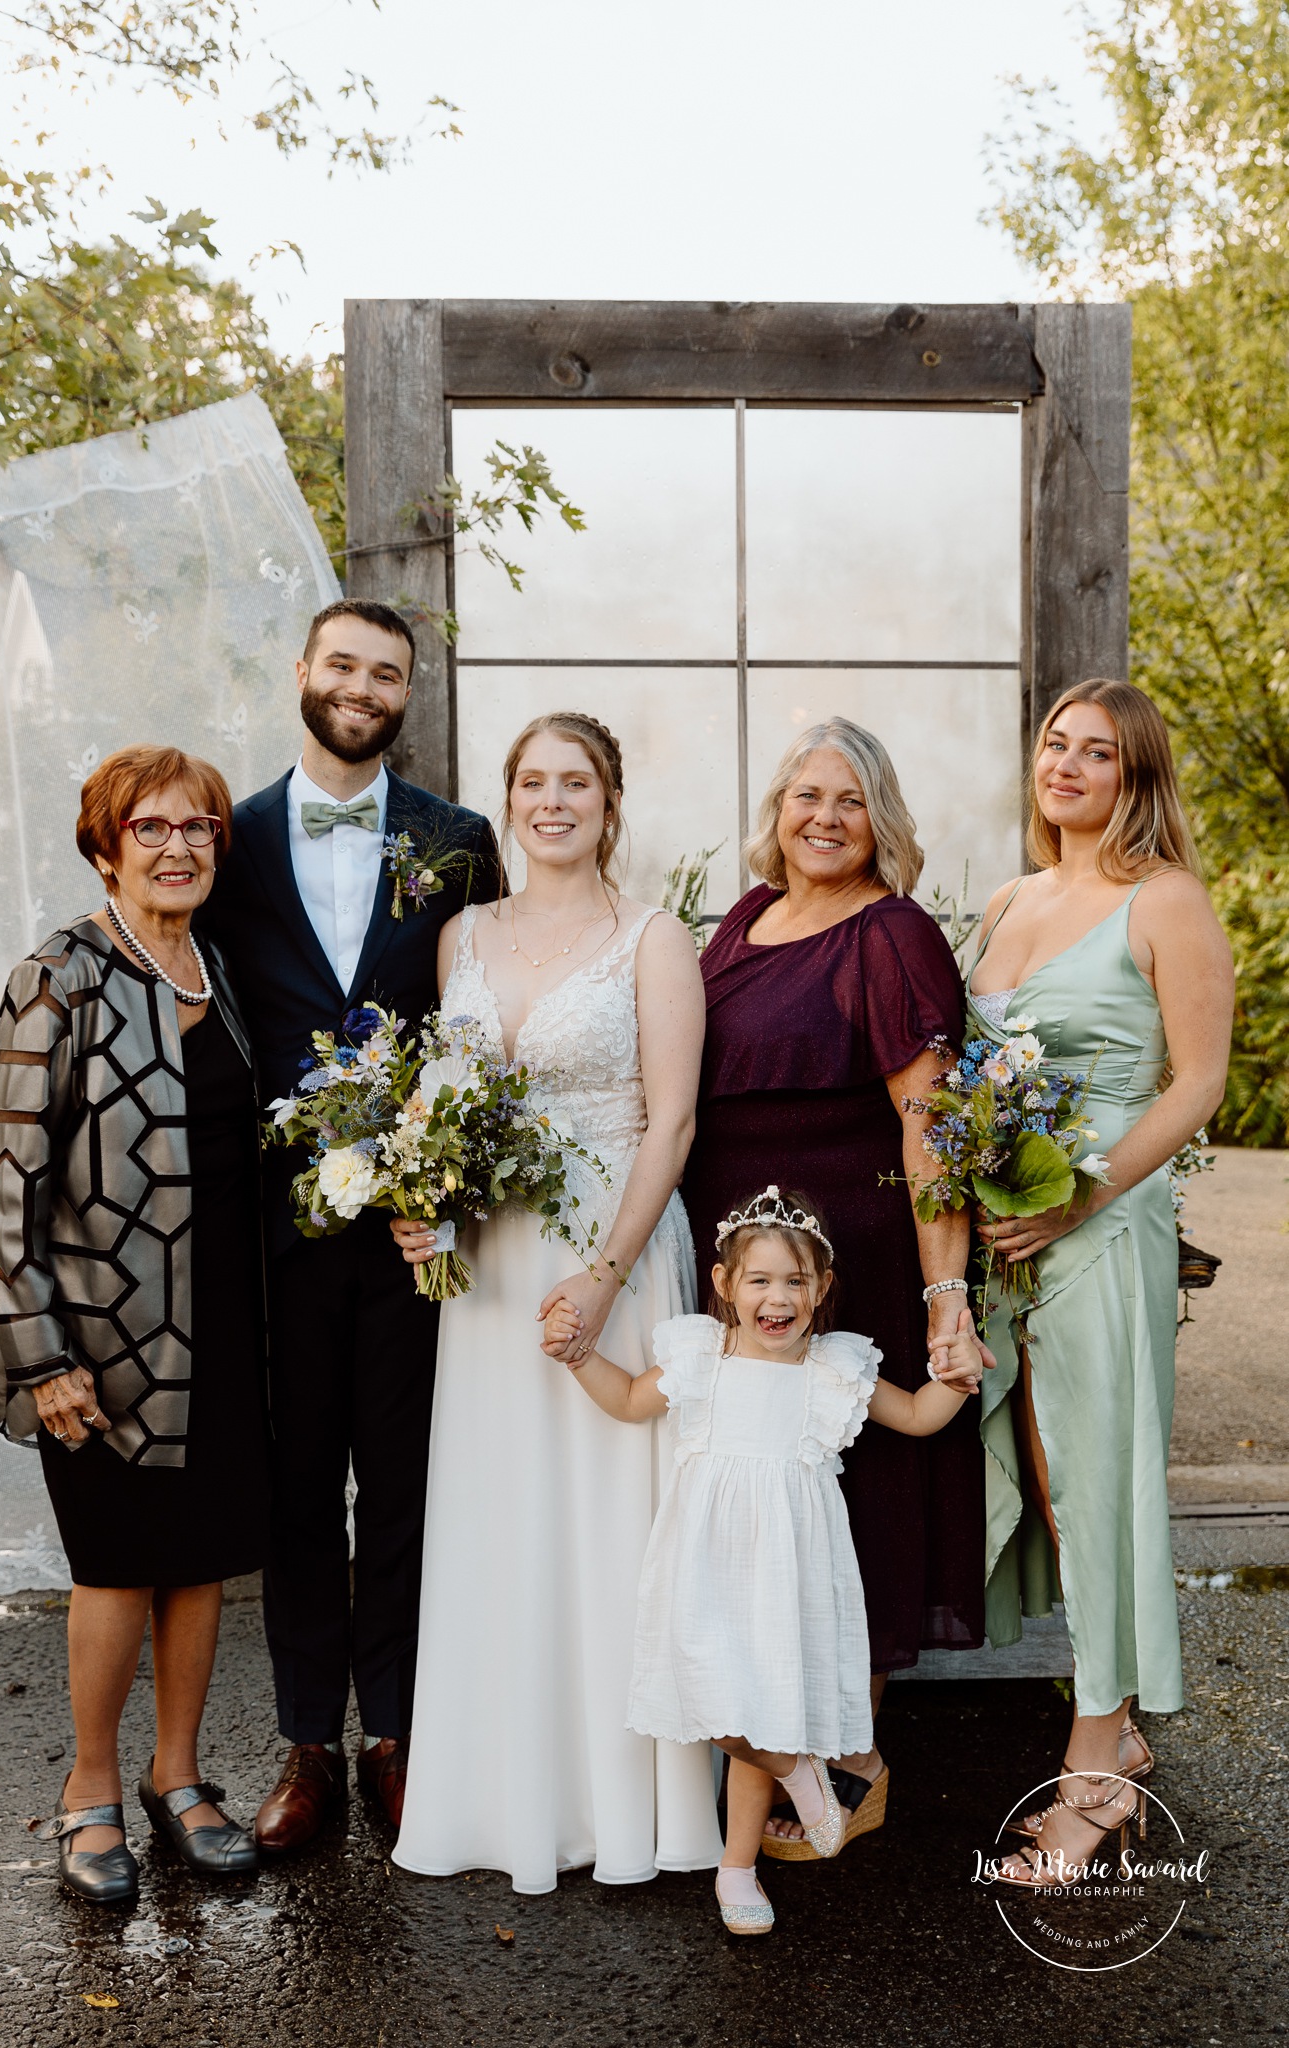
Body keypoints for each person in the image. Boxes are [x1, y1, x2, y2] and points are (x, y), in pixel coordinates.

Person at [390, 711, 724, 1894]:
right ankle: (500, 1793)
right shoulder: (461, 935)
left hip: (607, 1250)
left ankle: (620, 1805)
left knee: (608, 1520)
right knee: (501, 1517)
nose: (551, 800)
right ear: (510, 798)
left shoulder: (654, 938)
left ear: (609, 801)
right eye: (532, 780)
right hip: (487, 1274)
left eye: (575, 781)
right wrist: (418, 1207)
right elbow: (436, 1104)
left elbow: (672, 1123)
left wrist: (605, 1274)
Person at [194, 599, 499, 1852]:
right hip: (277, 1231)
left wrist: (454, 1183)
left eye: (387, 673)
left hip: (418, 1226)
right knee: (300, 1488)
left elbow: (482, 1016)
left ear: (405, 693)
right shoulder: (229, 836)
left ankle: (401, 1734)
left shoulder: (458, 839)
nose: (364, 687)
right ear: (303, 672)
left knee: (412, 1483)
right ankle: (309, 1738)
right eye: (345, 665)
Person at [681, 718, 989, 1857]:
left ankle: (853, 1752)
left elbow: (931, 1126)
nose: (823, 817)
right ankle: (774, 1735)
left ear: (880, 820)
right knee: (756, 1495)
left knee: (851, 1499)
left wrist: (944, 1294)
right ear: (777, 809)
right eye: (806, 795)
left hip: (845, 1256)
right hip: (738, 1256)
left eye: (850, 800)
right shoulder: (744, 918)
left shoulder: (892, 932)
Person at [0, 745, 264, 1904]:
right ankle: (89, 1784)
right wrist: (41, 1356)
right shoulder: (58, 976)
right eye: (151, 826)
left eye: (199, 827)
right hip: (100, 1338)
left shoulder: (219, 970)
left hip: (224, 1325)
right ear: (106, 847)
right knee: (114, 1566)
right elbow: (10, 1186)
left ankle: (176, 1776)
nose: (178, 846)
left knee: (197, 1564)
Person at [548, 1186, 984, 1933]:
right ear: (724, 1284)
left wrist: (957, 1376)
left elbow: (916, 1416)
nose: (776, 1298)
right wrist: (579, 1355)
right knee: (702, 1695)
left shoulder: (831, 1369)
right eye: (758, 1280)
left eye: (794, 1281)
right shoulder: (701, 1357)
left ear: (821, 1289)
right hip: (704, 1565)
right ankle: (798, 1772)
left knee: (762, 1703)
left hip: (789, 1568)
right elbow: (625, 1400)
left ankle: (737, 1866)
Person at [966, 679, 1232, 1890]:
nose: (1066, 765)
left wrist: (1081, 1194)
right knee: (1040, 1473)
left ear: (1138, 777)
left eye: (1099, 753)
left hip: (1103, 1223)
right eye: (1055, 743)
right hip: (1009, 1233)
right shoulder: (1009, 898)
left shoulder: (1164, 898)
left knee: (1099, 1486)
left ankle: (1098, 1774)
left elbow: (1197, 1082)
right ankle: (1112, 1722)